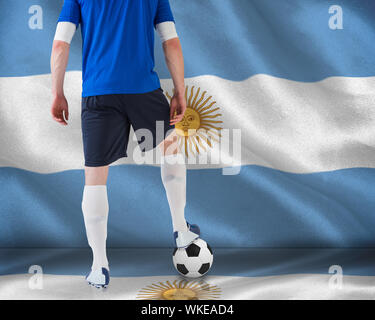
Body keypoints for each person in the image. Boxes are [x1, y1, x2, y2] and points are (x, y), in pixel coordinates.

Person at [50, 0, 201, 288]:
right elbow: (171, 42)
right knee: (170, 149)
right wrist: (180, 92)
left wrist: (57, 93)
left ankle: (99, 266)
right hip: (143, 89)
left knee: (94, 177)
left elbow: (60, 45)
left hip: (98, 93)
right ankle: (181, 228)